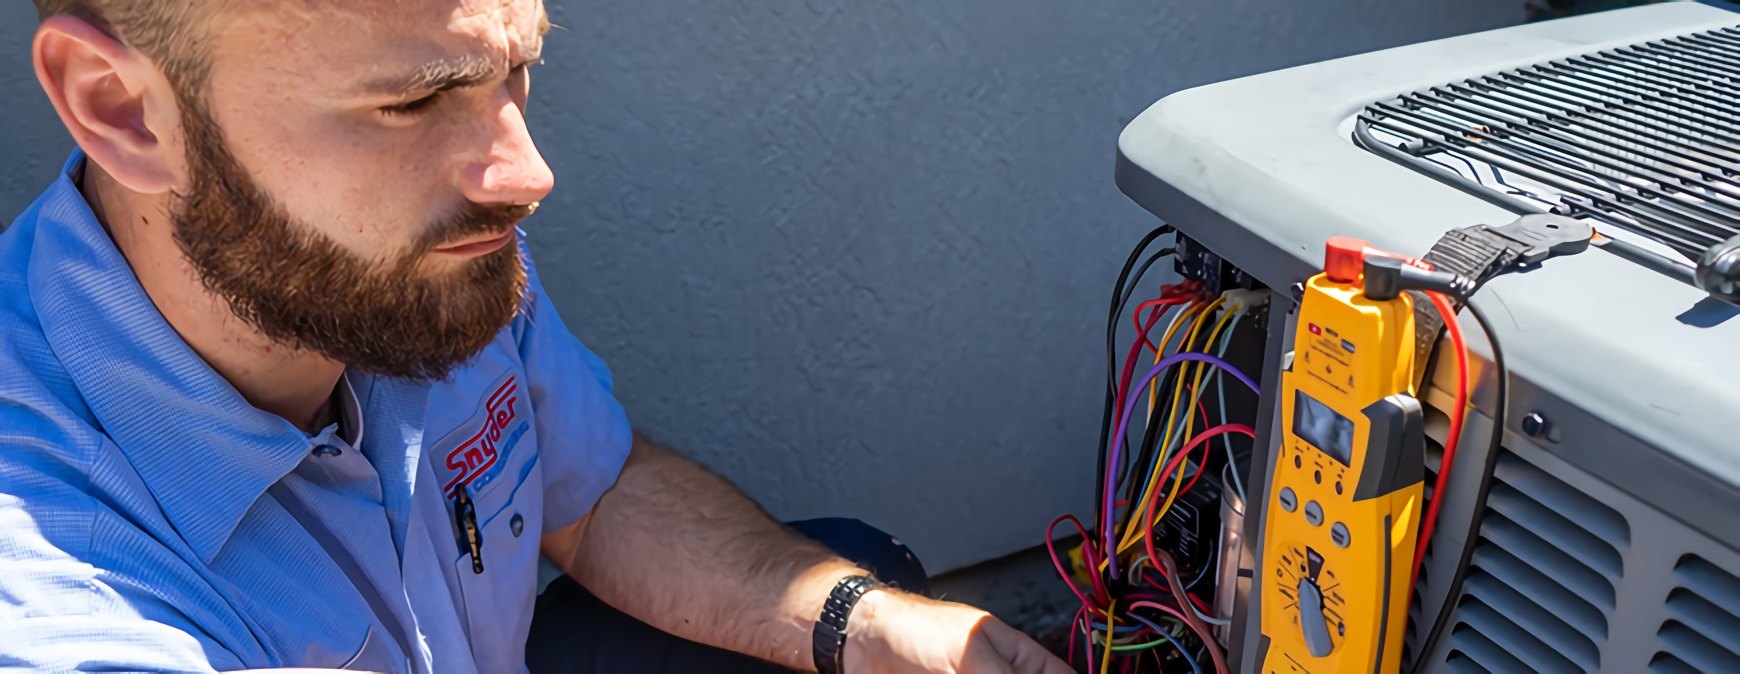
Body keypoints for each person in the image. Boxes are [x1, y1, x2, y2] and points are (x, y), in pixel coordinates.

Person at [0, 1, 1073, 673]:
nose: (525, 175)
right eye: (417, 101)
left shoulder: (394, 263)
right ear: (121, 108)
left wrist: (859, 625)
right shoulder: (60, 591)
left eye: (516, 69)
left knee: (861, 574)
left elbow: (590, 495)